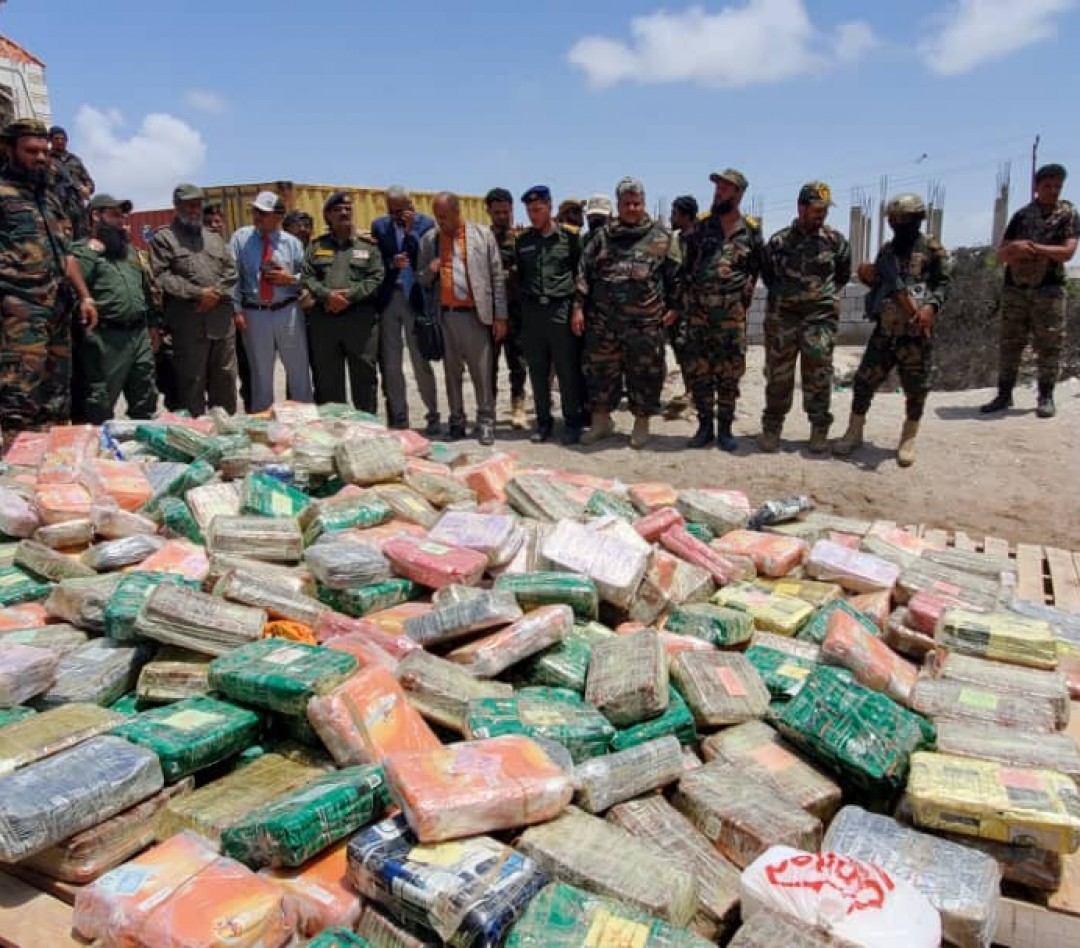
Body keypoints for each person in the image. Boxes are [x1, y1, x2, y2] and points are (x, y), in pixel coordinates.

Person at [833, 193, 950, 467]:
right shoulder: (887, 251)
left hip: (915, 331)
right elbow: (879, 282)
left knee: (916, 387)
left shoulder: (931, 249)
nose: (897, 224)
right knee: (864, 381)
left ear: (916, 219)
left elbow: (944, 284)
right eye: (894, 219)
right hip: (885, 330)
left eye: (903, 218)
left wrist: (931, 307)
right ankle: (854, 431)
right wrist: (869, 276)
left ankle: (908, 437)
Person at [0, 119, 98, 441]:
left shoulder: (50, 200)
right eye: (31, 151)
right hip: (19, 316)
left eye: (44, 152)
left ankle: (53, 462)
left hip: (57, 312)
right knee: (19, 403)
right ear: (8, 150)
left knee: (56, 401)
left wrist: (85, 296)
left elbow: (66, 254)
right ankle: (16, 465)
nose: (41, 158)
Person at [578, 176, 680, 450]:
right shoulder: (602, 237)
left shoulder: (661, 237)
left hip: (645, 324)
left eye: (637, 203)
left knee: (645, 374)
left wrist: (674, 308)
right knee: (600, 373)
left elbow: (676, 277)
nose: (632, 208)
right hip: (603, 323)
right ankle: (601, 422)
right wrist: (578, 307)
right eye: (627, 204)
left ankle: (641, 423)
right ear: (618, 205)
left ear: (643, 203)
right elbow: (583, 273)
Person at [759, 182, 851, 453]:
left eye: (825, 210)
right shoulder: (779, 242)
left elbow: (842, 275)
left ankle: (819, 429)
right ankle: (772, 428)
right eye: (816, 209)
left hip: (819, 319)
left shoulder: (835, 241)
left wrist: (820, 298)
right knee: (778, 374)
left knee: (819, 374)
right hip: (783, 318)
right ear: (801, 207)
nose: (821, 214)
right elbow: (768, 276)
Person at [982, 163, 1078, 418]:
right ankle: (1004, 394)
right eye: (1048, 186)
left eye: (1057, 186)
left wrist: (1034, 248)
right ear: (1037, 187)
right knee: (1010, 342)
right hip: (1016, 288)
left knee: (1050, 343)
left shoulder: (1067, 215)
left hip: (1049, 288)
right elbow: (1000, 255)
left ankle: (1046, 396)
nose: (1053, 191)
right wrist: (1015, 249)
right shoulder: (1022, 216)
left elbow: (1067, 252)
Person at [680, 169, 762, 450]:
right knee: (700, 371)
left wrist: (746, 292)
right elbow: (687, 266)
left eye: (725, 189)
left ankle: (725, 429)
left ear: (739, 194)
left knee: (730, 372)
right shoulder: (701, 228)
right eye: (717, 188)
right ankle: (704, 427)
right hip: (700, 314)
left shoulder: (750, 230)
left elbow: (756, 267)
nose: (718, 193)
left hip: (731, 316)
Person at [416, 191, 508, 445]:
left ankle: (486, 421)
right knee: (451, 373)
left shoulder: (482, 236)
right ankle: (456, 421)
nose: (440, 221)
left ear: (457, 212)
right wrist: (430, 271)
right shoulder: (429, 240)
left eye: (444, 216)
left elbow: (497, 278)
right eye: (437, 217)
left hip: (475, 316)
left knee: (482, 373)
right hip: (445, 317)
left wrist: (500, 316)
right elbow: (420, 279)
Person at [149, 183, 239, 416]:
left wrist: (215, 293)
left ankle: (226, 431)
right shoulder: (164, 239)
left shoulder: (214, 238)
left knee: (225, 380)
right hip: (188, 324)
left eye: (198, 205)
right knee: (192, 383)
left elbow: (231, 271)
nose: (194, 210)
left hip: (221, 323)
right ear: (176, 206)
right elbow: (162, 277)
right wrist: (199, 294)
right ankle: (195, 432)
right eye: (189, 205)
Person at [71, 194, 160, 422]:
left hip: (138, 336)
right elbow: (73, 285)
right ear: (96, 216)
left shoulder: (130, 252)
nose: (121, 221)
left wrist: (153, 326)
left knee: (145, 398)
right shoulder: (81, 250)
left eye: (123, 216)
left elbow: (145, 291)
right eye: (115, 215)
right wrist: (92, 252)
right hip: (106, 338)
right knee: (99, 405)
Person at [515, 185, 587, 444]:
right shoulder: (523, 241)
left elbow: (580, 275)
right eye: (529, 210)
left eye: (538, 209)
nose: (533, 215)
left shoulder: (569, 238)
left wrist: (577, 308)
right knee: (537, 371)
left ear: (549, 207)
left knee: (567, 370)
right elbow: (520, 279)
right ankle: (543, 422)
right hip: (533, 313)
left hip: (561, 310)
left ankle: (572, 422)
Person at [301, 191, 384, 412]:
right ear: (328, 215)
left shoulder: (368, 246)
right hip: (325, 321)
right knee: (327, 380)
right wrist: (327, 295)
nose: (344, 213)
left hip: (359, 321)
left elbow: (376, 277)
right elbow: (307, 276)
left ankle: (366, 425)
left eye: (348, 209)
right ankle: (334, 427)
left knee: (364, 377)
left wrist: (348, 297)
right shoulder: (316, 246)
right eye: (338, 210)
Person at [230, 191, 311, 413]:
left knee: (298, 370)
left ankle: (303, 421)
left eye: (263, 213)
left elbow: (309, 276)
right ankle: (263, 423)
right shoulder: (241, 239)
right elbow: (232, 277)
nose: (257, 216)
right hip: (254, 312)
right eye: (255, 211)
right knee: (260, 374)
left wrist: (290, 279)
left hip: (288, 311)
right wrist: (236, 310)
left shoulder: (292, 243)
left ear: (278, 216)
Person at [371, 186, 440, 433]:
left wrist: (410, 232)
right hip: (390, 298)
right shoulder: (379, 226)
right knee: (391, 363)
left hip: (415, 298)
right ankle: (400, 418)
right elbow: (375, 261)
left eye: (400, 211)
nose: (396, 216)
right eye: (391, 211)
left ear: (410, 206)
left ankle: (433, 415)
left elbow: (427, 258)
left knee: (420, 360)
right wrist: (391, 263)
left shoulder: (426, 225)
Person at [485, 187, 528, 429]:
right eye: (497, 212)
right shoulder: (483, 241)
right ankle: (489, 407)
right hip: (490, 314)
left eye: (506, 212)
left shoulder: (520, 240)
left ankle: (518, 406)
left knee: (518, 363)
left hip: (516, 312)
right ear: (489, 212)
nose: (503, 217)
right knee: (488, 364)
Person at [663, 194, 699, 421]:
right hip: (676, 305)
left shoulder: (696, 240)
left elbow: (685, 277)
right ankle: (690, 391)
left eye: (675, 214)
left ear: (686, 216)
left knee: (689, 350)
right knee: (681, 349)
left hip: (688, 307)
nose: (671, 217)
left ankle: (694, 395)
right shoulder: (677, 239)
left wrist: (676, 307)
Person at [48, 125, 94, 239]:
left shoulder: (75, 160)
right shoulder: (47, 159)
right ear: (50, 140)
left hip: (78, 208)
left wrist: (87, 189)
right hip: (57, 207)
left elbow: (89, 181)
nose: (60, 141)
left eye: (62, 139)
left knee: (82, 239)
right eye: (56, 138)